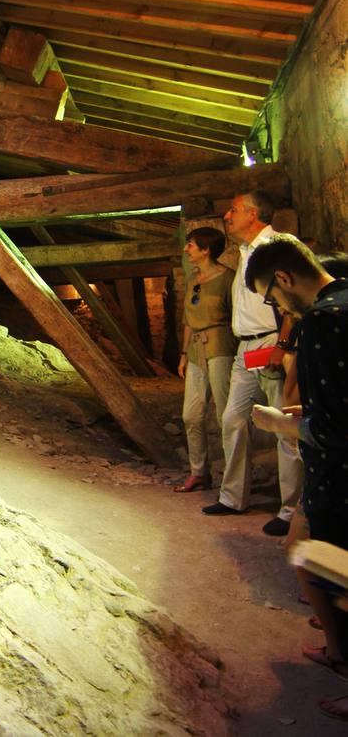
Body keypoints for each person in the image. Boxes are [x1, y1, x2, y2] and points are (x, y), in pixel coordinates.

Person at [245, 237, 348, 719]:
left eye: (272, 295)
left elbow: (334, 431)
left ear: (284, 279)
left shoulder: (324, 321)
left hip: (342, 482)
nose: (276, 305)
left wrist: (279, 423)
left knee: (336, 574)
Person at [201, 191, 301, 536]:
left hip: (273, 342)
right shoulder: (243, 252)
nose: (226, 215)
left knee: (283, 428)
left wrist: (284, 344)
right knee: (232, 419)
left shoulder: (277, 246)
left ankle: (290, 510)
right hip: (246, 349)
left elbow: (295, 298)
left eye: (233, 210)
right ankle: (233, 498)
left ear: (252, 213)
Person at [173, 227, 236, 492]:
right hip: (197, 350)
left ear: (206, 249)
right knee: (191, 415)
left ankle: (233, 479)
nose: (187, 249)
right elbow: (188, 319)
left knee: (225, 416)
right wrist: (184, 354)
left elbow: (236, 316)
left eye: (191, 245)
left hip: (220, 347)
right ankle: (199, 472)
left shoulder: (227, 279)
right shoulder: (194, 279)